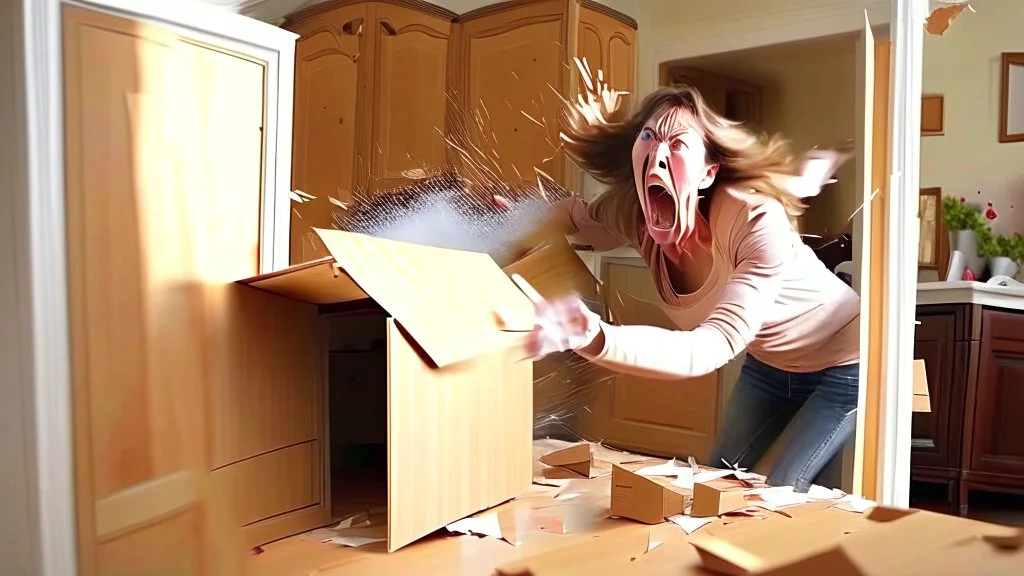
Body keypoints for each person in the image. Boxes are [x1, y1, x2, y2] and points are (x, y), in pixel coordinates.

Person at [527, 64, 860, 492]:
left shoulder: (755, 219)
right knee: (716, 479)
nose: (658, 154)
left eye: (678, 143)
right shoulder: (634, 211)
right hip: (771, 364)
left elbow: (711, 346)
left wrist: (595, 336)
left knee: (784, 488)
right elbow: (577, 218)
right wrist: (517, 224)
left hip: (844, 362)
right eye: (648, 137)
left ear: (708, 172)